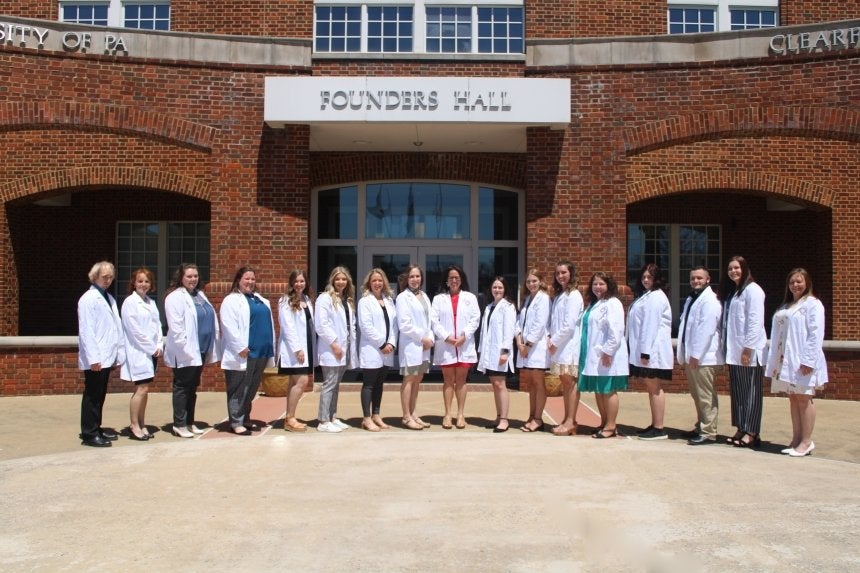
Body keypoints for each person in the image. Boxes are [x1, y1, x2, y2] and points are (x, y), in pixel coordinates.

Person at [765, 268, 828, 457]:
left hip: (803, 360)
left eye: (799, 281)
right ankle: (796, 439)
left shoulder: (813, 304)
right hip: (786, 360)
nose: (795, 285)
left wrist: (809, 360)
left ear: (807, 282)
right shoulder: (787, 305)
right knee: (793, 398)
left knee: (804, 398)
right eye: (792, 282)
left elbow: (816, 333)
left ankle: (806, 441)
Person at [164, 263, 220, 438]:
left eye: (195, 276)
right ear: (181, 277)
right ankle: (179, 424)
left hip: (201, 349)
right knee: (182, 386)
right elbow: (176, 327)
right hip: (185, 351)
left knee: (192, 387)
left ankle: (189, 421)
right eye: (189, 276)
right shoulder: (174, 297)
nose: (193, 279)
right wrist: (185, 348)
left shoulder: (200, 295)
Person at [220, 266, 275, 435]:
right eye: (247, 279)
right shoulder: (231, 300)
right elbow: (228, 325)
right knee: (239, 387)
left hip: (261, 351)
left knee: (251, 387)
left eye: (252, 279)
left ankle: (245, 417)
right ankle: (236, 421)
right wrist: (239, 346)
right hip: (244, 352)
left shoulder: (259, 299)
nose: (250, 282)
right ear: (238, 280)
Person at [77, 261, 125, 447]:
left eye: (111, 277)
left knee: (100, 394)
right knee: (92, 395)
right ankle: (89, 433)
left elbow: (114, 327)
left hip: (106, 355)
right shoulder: (88, 299)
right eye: (104, 277)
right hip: (96, 358)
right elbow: (87, 331)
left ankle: (96, 427)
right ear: (94, 276)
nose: (108, 280)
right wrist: (94, 358)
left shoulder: (108, 298)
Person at [720, 256, 766, 448]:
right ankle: (741, 427)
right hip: (735, 351)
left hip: (749, 352)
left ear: (744, 268)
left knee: (752, 393)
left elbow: (755, 321)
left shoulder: (753, 290)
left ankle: (752, 432)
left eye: (737, 268)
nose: (733, 271)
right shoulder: (735, 292)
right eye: (730, 268)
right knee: (738, 392)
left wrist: (748, 348)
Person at [676, 266, 724, 446]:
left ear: (708, 279)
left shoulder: (710, 300)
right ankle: (701, 425)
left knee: (705, 395)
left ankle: (709, 432)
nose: (696, 281)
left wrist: (695, 354)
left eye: (699, 278)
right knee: (697, 395)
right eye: (693, 278)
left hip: (704, 357)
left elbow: (706, 329)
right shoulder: (692, 299)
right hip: (693, 357)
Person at [626, 263, 673, 441]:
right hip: (645, 349)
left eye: (650, 277)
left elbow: (650, 326)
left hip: (653, 351)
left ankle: (659, 428)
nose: (646, 280)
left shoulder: (656, 297)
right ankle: (655, 424)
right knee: (651, 387)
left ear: (657, 279)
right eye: (644, 277)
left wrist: (645, 352)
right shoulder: (646, 296)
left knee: (655, 387)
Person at [579, 272, 629, 439]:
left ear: (609, 285)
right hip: (595, 354)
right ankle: (604, 422)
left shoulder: (613, 303)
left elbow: (616, 329)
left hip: (608, 355)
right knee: (599, 390)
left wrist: (608, 351)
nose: (597, 287)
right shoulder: (595, 304)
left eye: (601, 284)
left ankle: (611, 425)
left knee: (608, 390)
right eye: (595, 284)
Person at [432, 265, 480, 429]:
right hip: (447, 345)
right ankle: (447, 414)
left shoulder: (470, 297)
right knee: (448, 380)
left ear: (462, 280)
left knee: (461, 380)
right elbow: (434, 321)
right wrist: (447, 337)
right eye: (451, 278)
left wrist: (464, 335)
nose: (454, 280)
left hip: (463, 344)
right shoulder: (438, 299)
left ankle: (460, 414)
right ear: (446, 281)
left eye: (457, 278)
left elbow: (475, 319)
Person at [119, 268, 163, 441]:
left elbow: (157, 325)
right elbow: (134, 331)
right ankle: (134, 425)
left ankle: (142, 424)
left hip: (151, 352)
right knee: (141, 388)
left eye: (147, 281)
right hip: (139, 352)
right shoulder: (130, 303)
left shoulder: (150, 302)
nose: (143, 284)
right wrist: (151, 347)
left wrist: (159, 344)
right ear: (133, 283)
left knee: (145, 389)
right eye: (140, 281)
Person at [314, 266, 357, 433]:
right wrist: (334, 344)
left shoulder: (347, 299)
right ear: (332, 280)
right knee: (329, 384)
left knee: (336, 384)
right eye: (338, 279)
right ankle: (323, 420)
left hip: (344, 348)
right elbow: (321, 325)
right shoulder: (324, 298)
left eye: (344, 279)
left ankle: (332, 416)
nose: (341, 282)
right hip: (332, 349)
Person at [395, 264, 437, 430]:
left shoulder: (424, 296)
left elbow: (430, 321)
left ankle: (413, 413)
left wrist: (430, 339)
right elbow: (404, 324)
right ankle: (406, 417)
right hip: (412, 345)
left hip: (424, 346)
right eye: (411, 277)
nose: (414, 280)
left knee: (417, 379)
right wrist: (423, 338)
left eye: (417, 276)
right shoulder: (402, 298)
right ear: (406, 279)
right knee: (409, 379)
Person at [357, 268, 398, 431]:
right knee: (369, 384)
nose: (377, 283)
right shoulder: (364, 301)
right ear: (369, 283)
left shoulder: (388, 300)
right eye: (374, 281)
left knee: (380, 383)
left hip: (387, 349)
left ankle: (376, 415)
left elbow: (394, 325)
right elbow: (365, 327)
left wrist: (391, 344)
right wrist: (382, 344)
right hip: (373, 349)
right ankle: (366, 418)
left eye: (380, 280)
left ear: (384, 283)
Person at [548, 261, 584, 436]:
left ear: (571, 274)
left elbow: (569, 325)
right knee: (565, 383)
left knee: (570, 383)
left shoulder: (574, 295)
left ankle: (570, 421)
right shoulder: (561, 294)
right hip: (559, 346)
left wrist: (553, 341)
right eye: (557, 273)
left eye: (564, 272)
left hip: (568, 345)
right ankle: (568, 418)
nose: (560, 276)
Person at [276, 269, 315, 432]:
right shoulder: (285, 300)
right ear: (291, 283)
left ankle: (289, 417)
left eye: (302, 281)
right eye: (296, 281)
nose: (299, 284)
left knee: (294, 382)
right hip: (295, 349)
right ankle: (290, 418)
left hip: (306, 344)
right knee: (302, 381)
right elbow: (287, 326)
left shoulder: (306, 299)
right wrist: (297, 349)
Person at [477, 277, 517, 433]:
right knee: (495, 385)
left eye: (500, 287)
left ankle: (505, 420)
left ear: (505, 289)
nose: (497, 290)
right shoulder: (488, 307)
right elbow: (483, 331)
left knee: (501, 385)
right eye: (495, 287)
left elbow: (509, 331)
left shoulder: (508, 307)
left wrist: (505, 352)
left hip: (500, 353)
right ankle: (499, 416)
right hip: (489, 352)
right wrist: (481, 349)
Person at [516, 269, 551, 433]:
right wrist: (519, 342)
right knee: (531, 384)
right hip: (525, 347)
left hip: (536, 348)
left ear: (541, 281)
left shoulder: (544, 299)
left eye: (534, 281)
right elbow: (519, 323)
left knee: (538, 383)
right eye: (529, 281)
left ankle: (538, 419)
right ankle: (531, 416)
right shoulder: (527, 299)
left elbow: (539, 324)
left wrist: (528, 345)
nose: (531, 284)